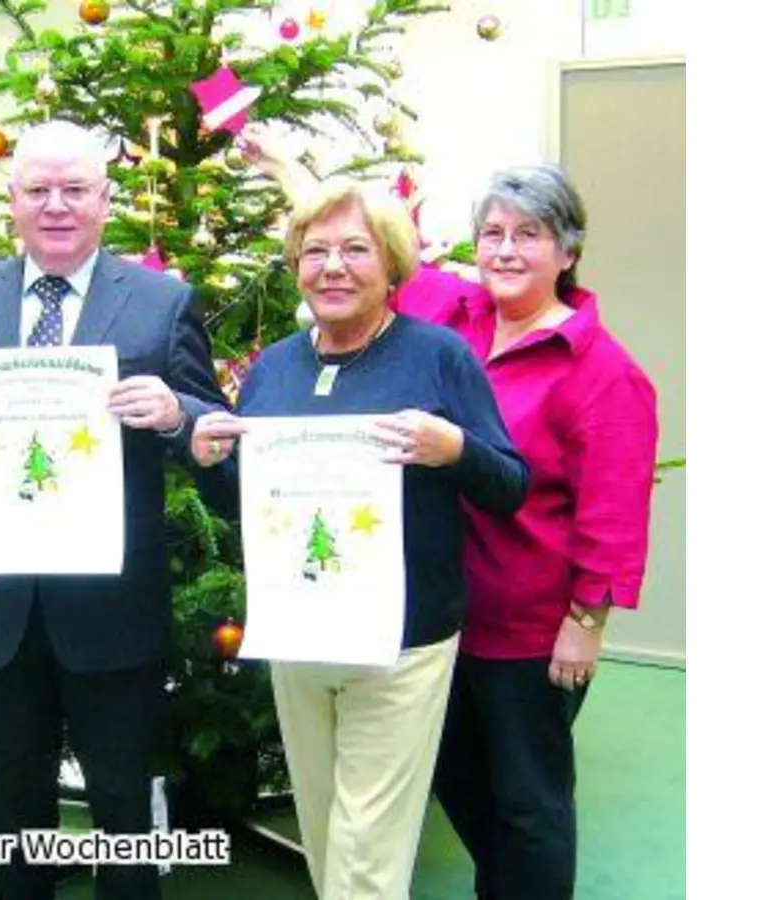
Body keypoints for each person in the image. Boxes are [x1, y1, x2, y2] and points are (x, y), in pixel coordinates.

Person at [247, 129, 661, 898]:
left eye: (528, 236)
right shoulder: (456, 313)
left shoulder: (604, 372)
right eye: (493, 234)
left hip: (524, 622)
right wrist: (282, 168)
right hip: (425, 609)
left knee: (528, 798)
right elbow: (358, 247)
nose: (505, 252)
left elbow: (614, 514)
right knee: (459, 782)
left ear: (567, 252)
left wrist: (588, 621)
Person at [0, 120, 231, 900]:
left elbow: (212, 435)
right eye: (37, 189)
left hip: (113, 607)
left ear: (105, 202)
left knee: (120, 809)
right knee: (9, 812)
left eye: (74, 189)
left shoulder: (160, 302)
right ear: (10, 202)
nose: (55, 205)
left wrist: (175, 411)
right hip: (2, 611)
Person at [185, 178, 528, 899]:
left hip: (400, 642)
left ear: (393, 264)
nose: (332, 267)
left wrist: (454, 447)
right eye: (315, 251)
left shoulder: (438, 357)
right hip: (301, 632)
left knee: (367, 854)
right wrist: (214, 464)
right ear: (295, 265)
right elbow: (255, 505)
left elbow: (508, 485)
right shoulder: (276, 365)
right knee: (326, 834)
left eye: (354, 250)